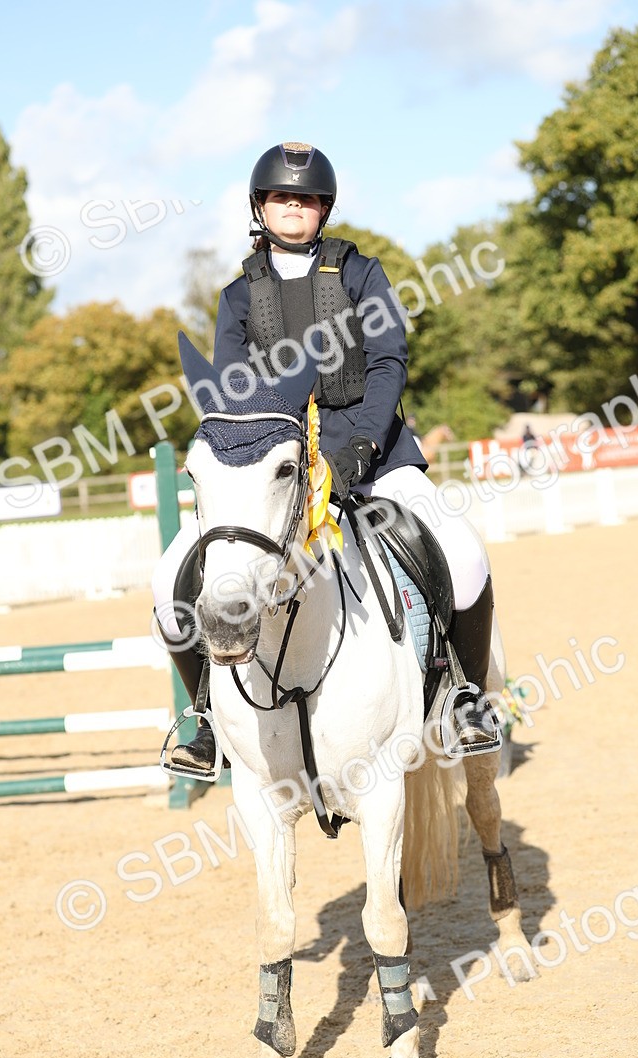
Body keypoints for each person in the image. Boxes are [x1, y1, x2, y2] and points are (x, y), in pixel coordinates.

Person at [152, 141, 499, 774]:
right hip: (277, 464)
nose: (295, 206)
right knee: (174, 575)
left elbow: (390, 360)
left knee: (463, 549)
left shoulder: (361, 273)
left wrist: (361, 445)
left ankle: (465, 697)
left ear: (324, 208)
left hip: (374, 450)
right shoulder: (237, 297)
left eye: (307, 198)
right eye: (283, 196)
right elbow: (234, 396)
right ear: (261, 207)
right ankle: (202, 715)